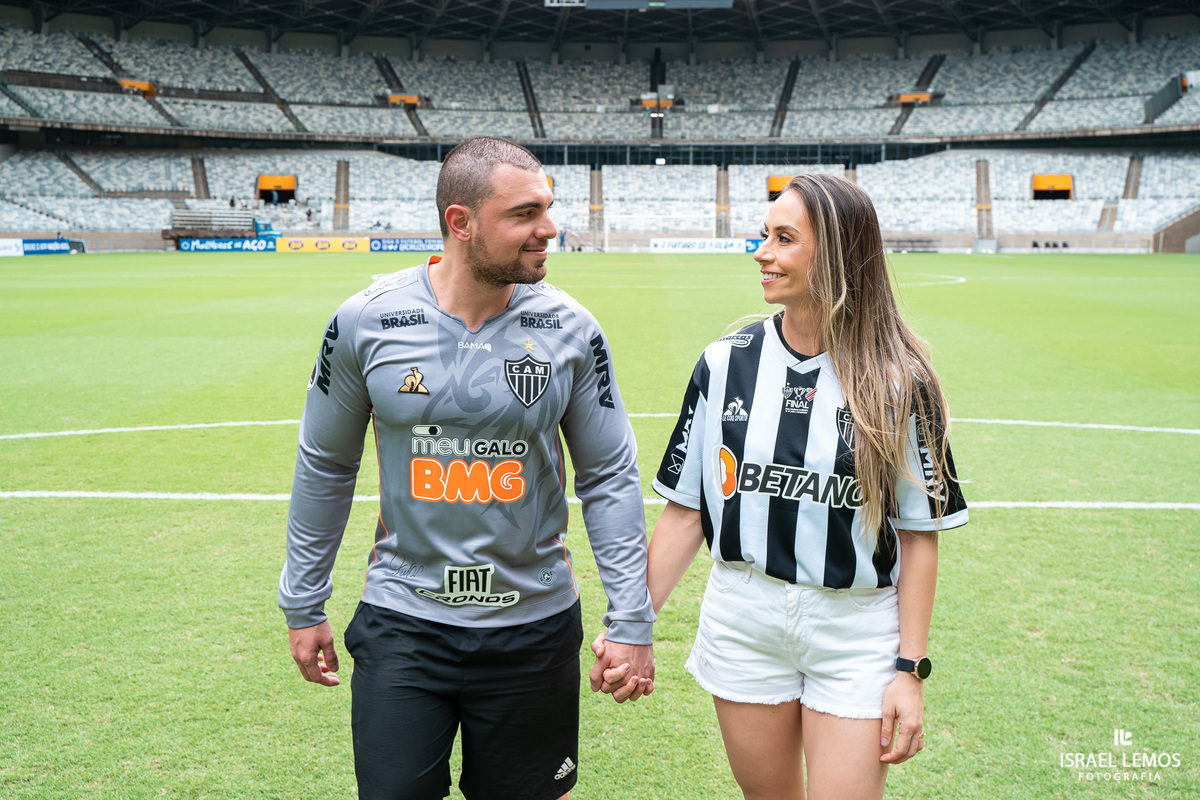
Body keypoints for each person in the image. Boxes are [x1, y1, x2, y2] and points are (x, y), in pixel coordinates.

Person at [279, 137, 655, 800]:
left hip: (532, 629)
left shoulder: (572, 329)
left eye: (548, 208)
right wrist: (302, 601)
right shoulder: (366, 321)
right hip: (404, 622)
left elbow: (608, 477)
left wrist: (631, 619)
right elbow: (326, 465)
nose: (549, 229)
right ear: (461, 223)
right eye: (525, 213)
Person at [602, 173, 968, 800]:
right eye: (763, 235)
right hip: (745, 617)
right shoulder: (726, 362)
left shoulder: (902, 380)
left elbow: (919, 535)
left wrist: (909, 670)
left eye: (782, 239)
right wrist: (632, 623)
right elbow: (686, 513)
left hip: (855, 629)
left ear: (836, 254)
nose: (761, 252)